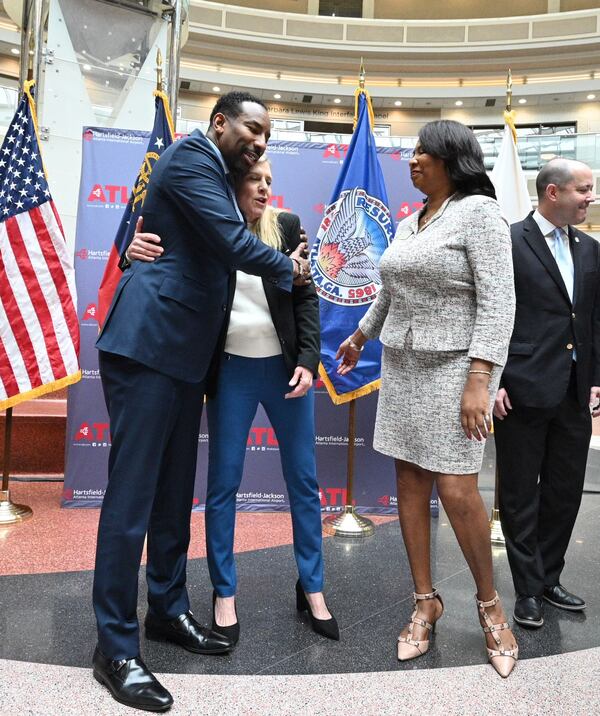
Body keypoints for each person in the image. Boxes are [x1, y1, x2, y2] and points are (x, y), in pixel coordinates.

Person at [92, 92, 310, 712]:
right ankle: (115, 647)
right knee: (132, 499)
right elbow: (230, 243)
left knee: (171, 497)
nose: (260, 140)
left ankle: (166, 610)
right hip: (150, 343)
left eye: (269, 133)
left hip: (186, 355)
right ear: (219, 122)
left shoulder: (220, 172)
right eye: (252, 127)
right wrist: (287, 270)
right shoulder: (192, 157)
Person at [127, 156, 339, 644]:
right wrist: (128, 253)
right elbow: (159, 258)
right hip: (229, 374)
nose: (264, 188)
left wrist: (309, 357)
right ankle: (225, 593)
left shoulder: (285, 226)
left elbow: (306, 296)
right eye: (255, 180)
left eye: (270, 181)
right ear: (233, 183)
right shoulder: (209, 227)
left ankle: (313, 589)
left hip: (286, 372)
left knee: (304, 483)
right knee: (223, 486)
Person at [336, 119, 518, 678]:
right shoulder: (412, 220)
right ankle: (425, 602)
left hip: (456, 371)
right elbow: (393, 291)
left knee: (458, 489)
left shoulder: (480, 214)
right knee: (409, 483)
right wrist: (361, 334)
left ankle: (490, 610)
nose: (412, 160)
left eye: (423, 152)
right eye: (412, 151)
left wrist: (480, 378)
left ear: (451, 159)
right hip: (403, 367)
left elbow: (499, 302)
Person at [493, 158, 600, 630]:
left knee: (564, 493)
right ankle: (528, 589)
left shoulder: (591, 248)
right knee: (519, 495)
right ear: (552, 192)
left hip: (575, 393)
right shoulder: (508, 241)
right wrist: (491, 380)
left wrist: (597, 376)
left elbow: (593, 320)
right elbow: (491, 315)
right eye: (583, 189)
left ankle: (549, 576)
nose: (590, 198)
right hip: (520, 389)